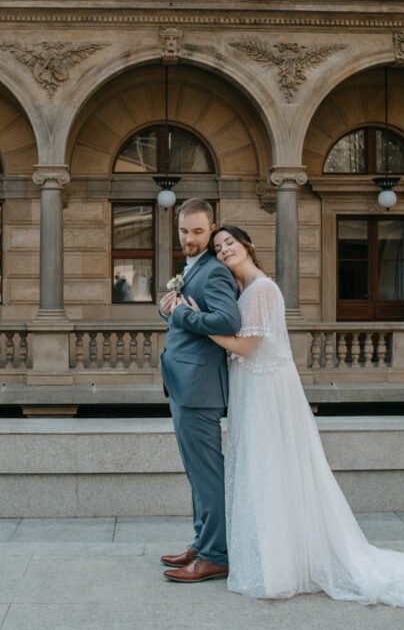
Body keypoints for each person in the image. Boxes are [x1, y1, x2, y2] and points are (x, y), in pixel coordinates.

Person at [176, 225, 404, 608]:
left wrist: (188, 317)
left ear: (248, 244)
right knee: (262, 470)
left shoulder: (261, 289)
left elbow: (246, 345)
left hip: (265, 390)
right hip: (252, 387)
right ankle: (271, 556)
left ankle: (279, 567)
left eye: (230, 243)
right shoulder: (246, 290)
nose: (224, 250)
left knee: (269, 468)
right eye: (218, 246)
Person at [157, 199, 241, 583]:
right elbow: (186, 312)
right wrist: (168, 308)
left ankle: (215, 555)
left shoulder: (214, 272)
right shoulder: (194, 269)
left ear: (212, 229)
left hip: (199, 389)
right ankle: (202, 541)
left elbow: (227, 320)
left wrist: (180, 314)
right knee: (196, 473)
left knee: (207, 475)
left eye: (197, 231)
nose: (188, 238)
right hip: (184, 385)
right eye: (183, 231)